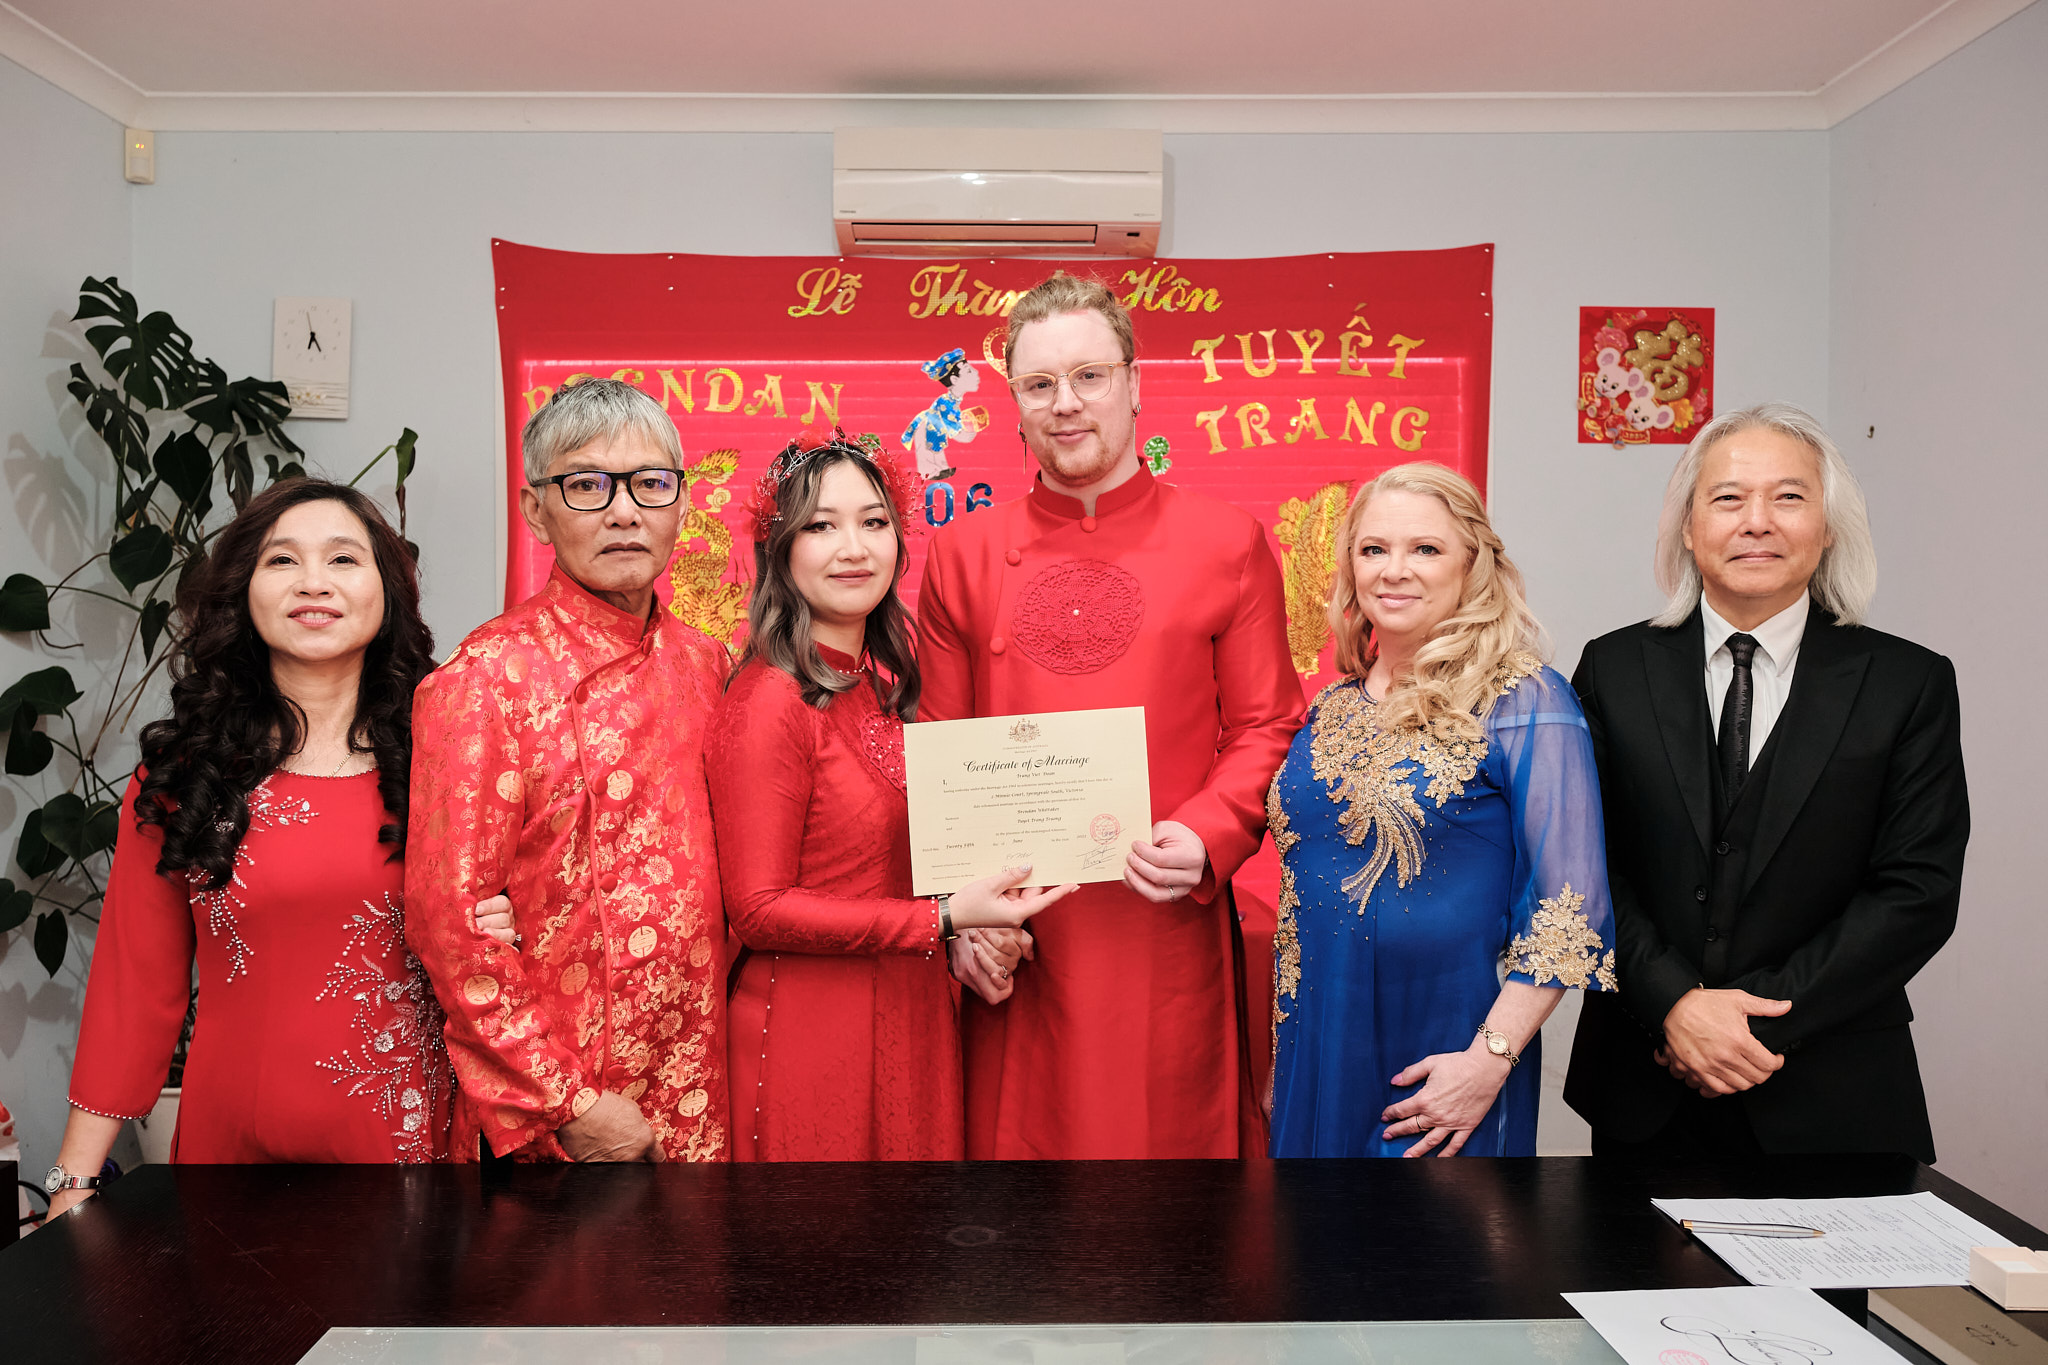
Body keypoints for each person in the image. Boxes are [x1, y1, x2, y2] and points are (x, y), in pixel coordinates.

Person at [914, 274, 1305, 1159]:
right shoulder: (964, 553)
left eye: (1089, 376)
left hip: (1160, 917)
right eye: (1039, 383)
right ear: (1014, 403)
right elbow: (938, 750)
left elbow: (1268, 723)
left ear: (1133, 383)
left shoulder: (1228, 541)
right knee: (1016, 1199)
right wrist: (963, 917)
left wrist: (1208, 830)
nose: (1066, 403)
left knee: (1164, 1192)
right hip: (1018, 934)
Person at [1564, 403, 1968, 1162]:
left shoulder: (1907, 682)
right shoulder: (1613, 668)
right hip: (1646, 1083)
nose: (1757, 522)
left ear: (1829, 526)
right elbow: (1583, 865)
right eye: (1728, 498)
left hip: (1835, 1090)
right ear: (1688, 527)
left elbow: (1917, 890)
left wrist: (1750, 1026)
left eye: (1788, 497)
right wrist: (1674, 1004)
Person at [47, 479, 457, 1217]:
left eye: (343, 559)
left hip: (408, 1159)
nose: (313, 582)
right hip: (228, 1160)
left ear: (389, 592)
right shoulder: (187, 774)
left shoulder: (450, 764)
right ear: (244, 590)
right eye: (282, 560)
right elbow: (133, 988)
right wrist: (73, 1183)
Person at [701, 427, 1073, 1160]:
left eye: (873, 523)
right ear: (779, 549)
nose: (854, 548)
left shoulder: (880, 692)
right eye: (821, 526)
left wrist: (965, 928)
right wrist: (943, 918)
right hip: (813, 1034)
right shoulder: (770, 700)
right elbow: (758, 908)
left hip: (911, 1010)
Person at [406, 377, 731, 1163]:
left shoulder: (709, 664)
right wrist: (569, 1102)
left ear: (683, 503)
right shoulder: (485, 677)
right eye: (587, 485)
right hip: (559, 1112)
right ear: (536, 508)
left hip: (698, 1078)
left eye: (650, 484)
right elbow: (451, 925)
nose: (624, 512)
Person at [1265, 463, 1618, 1158]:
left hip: (1445, 1065)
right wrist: (1285, 1061)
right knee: (1310, 1232)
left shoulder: (1524, 700)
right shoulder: (1329, 706)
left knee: (1431, 1232)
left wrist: (1489, 1061)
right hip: (1315, 1053)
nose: (1394, 570)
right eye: (1374, 549)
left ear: (1472, 564)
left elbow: (1572, 909)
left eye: (1425, 548)